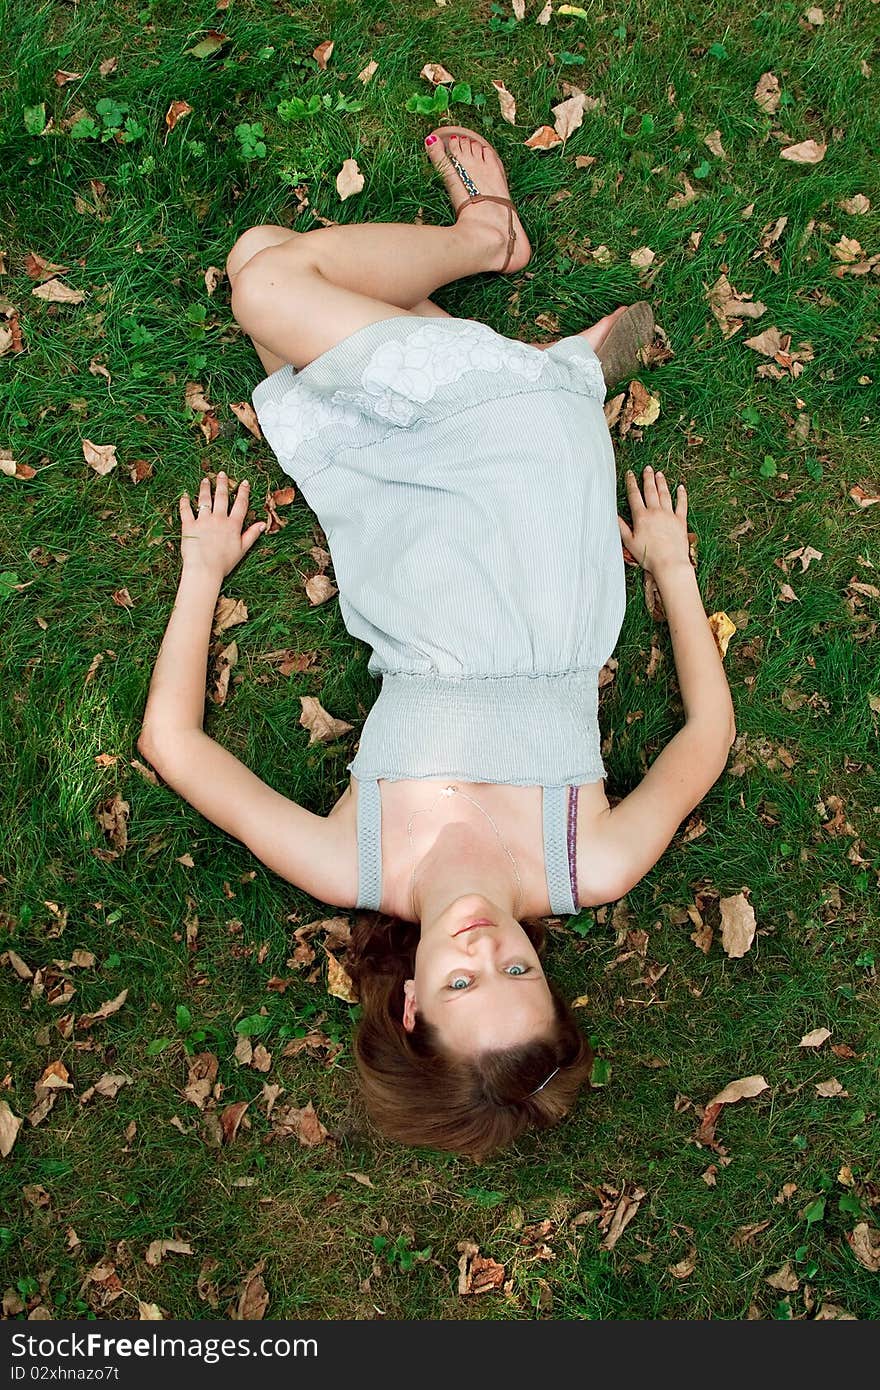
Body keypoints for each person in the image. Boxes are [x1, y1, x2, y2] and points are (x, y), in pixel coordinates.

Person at [138, 127, 736, 1157]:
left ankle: (535, 366)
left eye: (464, 981)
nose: (489, 946)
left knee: (257, 252)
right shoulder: (585, 863)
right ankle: (486, 245)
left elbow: (172, 747)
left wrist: (200, 575)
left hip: (405, 519)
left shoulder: (348, 861)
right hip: (533, 509)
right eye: (522, 972)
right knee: (267, 292)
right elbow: (706, 740)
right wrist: (674, 573)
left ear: (409, 1004)